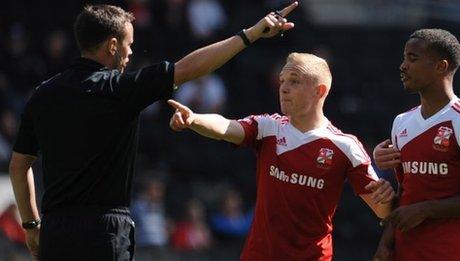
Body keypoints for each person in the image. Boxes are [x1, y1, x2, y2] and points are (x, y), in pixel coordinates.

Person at [8, 2, 299, 260]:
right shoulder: (122, 89)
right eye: (129, 44)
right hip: (104, 232)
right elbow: (190, 68)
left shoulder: (42, 95)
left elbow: (20, 166)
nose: (131, 52)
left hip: (56, 230)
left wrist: (32, 226)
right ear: (112, 46)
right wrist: (250, 35)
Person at [168, 52, 395, 260]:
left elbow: (383, 210)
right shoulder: (269, 127)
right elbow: (227, 127)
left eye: (294, 81)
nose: (283, 87)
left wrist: (387, 196)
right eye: (282, 80)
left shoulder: (345, 146)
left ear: (320, 90)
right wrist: (194, 119)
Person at [372, 29, 460, 261]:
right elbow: (406, 190)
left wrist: (426, 209)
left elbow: (418, 206)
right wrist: (385, 243)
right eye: (404, 58)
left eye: (413, 59)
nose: (403, 66)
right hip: (406, 250)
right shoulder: (401, 122)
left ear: (441, 67)